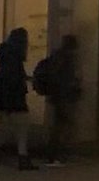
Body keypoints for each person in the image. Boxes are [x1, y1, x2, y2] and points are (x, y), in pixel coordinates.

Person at [0, 26, 36, 169]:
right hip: (14, 97)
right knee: (21, 126)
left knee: (8, 127)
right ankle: (22, 157)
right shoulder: (14, 57)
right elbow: (13, 78)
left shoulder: (8, 55)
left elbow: (6, 76)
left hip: (6, 98)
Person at [33, 33, 82, 162]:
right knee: (62, 125)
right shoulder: (65, 58)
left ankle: (55, 153)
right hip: (63, 96)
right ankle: (55, 154)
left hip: (58, 96)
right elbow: (63, 78)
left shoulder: (58, 56)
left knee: (60, 125)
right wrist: (71, 86)